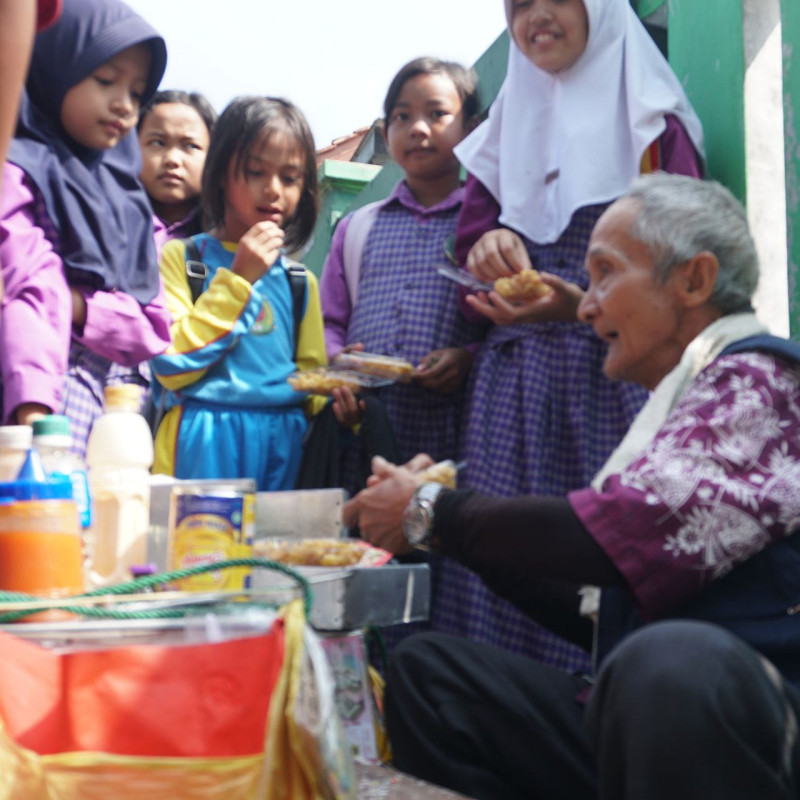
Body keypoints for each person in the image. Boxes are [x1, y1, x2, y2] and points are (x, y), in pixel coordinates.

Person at [343, 173, 800, 800]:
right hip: (647, 720)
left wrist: (430, 509)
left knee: (667, 664)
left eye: (607, 274)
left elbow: (618, 538)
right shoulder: (679, 408)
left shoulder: (761, 382)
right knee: (432, 673)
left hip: (748, 725)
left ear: (693, 280)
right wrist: (443, 529)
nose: (586, 305)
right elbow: (598, 610)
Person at [429, 0, 705, 671]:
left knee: (602, 565)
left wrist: (585, 306)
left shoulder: (649, 121)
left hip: (618, 386)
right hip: (513, 396)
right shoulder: (503, 134)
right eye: (518, 4)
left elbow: (688, 274)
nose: (535, 17)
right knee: (499, 559)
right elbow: (469, 260)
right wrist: (490, 250)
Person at [0, 0, 171, 454]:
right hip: (30, 415)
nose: (123, 104)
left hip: (109, 424)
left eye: (137, 93)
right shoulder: (18, 176)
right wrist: (34, 415)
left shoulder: (133, 207)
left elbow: (154, 328)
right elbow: (27, 295)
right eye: (105, 80)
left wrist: (77, 305)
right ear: (55, 67)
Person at [150, 96, 327, 491]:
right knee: (201, 552)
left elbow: (310, 384)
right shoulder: (183, 258)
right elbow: (171, 363)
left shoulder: (300, 282)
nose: (273, 190)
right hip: (201, 440)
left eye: (290, 177)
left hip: (284, 444)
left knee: (272, 552)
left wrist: (337, 389)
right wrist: (239, 280)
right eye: (255, 172)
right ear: (219, 176)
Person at [320, 57, 487, 470]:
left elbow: (509, 323)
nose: (418, 128)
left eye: (437, 114)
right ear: (384, 132)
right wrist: (338, 362)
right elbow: (329, 321)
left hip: (459, 433)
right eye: (402, 116)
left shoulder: (487, 222)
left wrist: (468, 356)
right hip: (366, 432)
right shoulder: (357, 228)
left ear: (471, 129)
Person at [137, 89, 217, 256]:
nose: (172, 159)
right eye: (157, 143)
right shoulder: (106, 223)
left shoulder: (226, 240)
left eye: (190, 145)